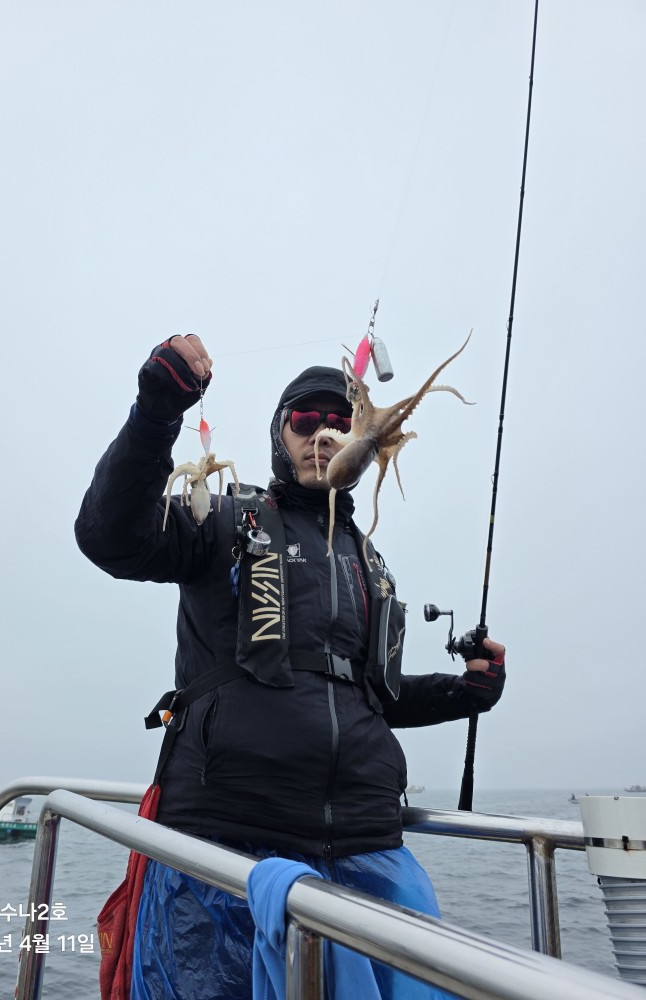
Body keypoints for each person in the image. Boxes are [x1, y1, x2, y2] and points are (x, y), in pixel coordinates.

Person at [75, 334, 506, 1000]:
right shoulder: (224, 519)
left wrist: (468, 690)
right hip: (226, 845)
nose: (323, 434)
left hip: (367, 844)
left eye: (341, 421)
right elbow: (110, 536)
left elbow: (376, 696)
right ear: (280, 435)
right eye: (305, 420)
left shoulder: (371, 566)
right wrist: (158, 411)